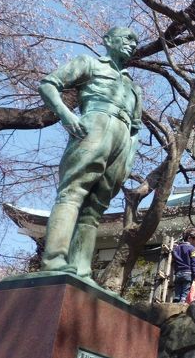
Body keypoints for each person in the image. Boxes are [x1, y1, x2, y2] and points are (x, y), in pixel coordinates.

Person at [38, 27, 142, 283]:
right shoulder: (90, 63)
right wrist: (66, 114)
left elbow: (136, 128)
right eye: (127, 38)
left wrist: (129, 157)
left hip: (123, 135)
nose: (132, 43)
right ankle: (55, 260)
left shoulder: (133, 86)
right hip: (95, 122)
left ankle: (82, 269)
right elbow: (49, 84)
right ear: (108, 40)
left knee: (95, 207)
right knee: (73, 192)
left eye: (136, 42)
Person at [172, 228, 195, 303]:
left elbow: (174, 260)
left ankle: (176, 298)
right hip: (188, 273)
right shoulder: (193, 250)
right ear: (189, 238)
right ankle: (183, 300)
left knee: (178, 288)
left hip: (178, 273)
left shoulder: (176, 249)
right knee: (186, 289)